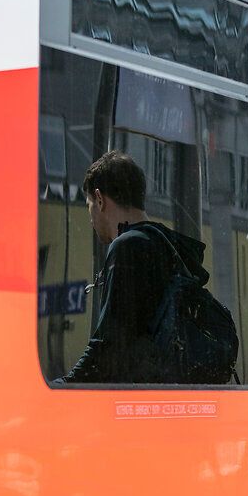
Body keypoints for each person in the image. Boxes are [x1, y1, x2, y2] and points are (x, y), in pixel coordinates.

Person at [62, 150, 210, 384]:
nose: (90, 219)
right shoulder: (167, 244)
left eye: (89, 205)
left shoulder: (128, 247)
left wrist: (60, 388)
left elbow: (109, 347)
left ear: (100, 200)